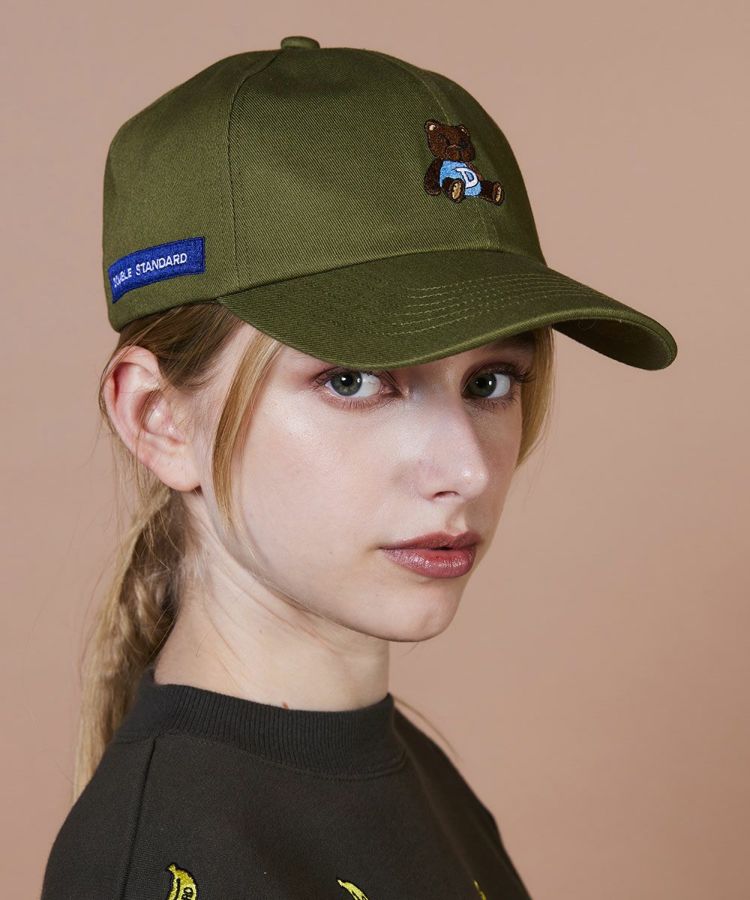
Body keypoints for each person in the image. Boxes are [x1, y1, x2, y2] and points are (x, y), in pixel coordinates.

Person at [40, 34, 677, 900]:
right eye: (353, 380)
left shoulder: (408, 771)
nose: (468, 469)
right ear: (160, 420)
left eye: (490, 381)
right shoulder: (169, 864)